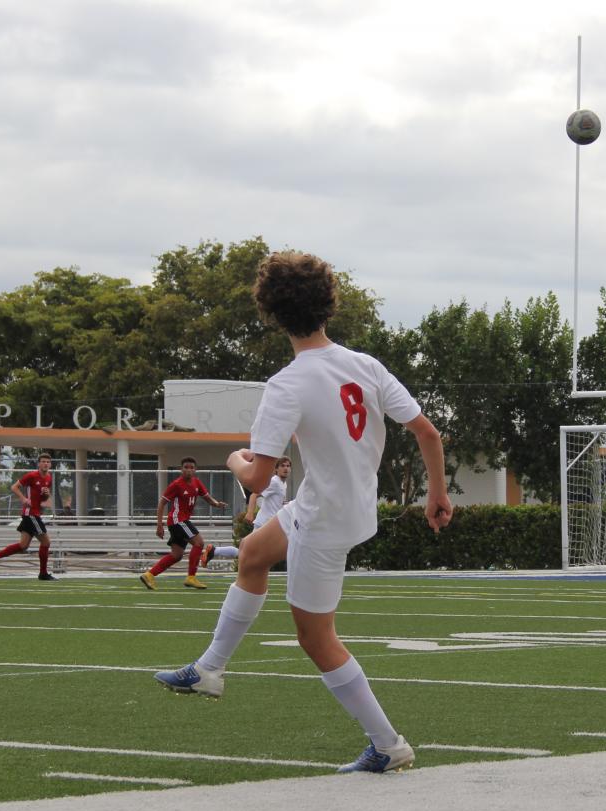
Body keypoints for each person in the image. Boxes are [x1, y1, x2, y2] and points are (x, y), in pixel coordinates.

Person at [154, 251, 453, 774]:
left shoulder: (287, 383)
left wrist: (231, 457)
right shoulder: (366, 365)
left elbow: (258, 477)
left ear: (271, 313)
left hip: (325, 519)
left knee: (316, 637)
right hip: (339, 506)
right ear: (328, 305)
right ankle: (210, 668)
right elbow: (427, 433)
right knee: (252, 554)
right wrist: (437, 494)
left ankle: (387, 744)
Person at [140, 457, 227, 590]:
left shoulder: (197, 483)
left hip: (180, 521)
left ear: (195, 469)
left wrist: (216, 504)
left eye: (191, 467)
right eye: (186, 467)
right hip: (177, 520)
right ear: (181, 469)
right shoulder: (176, 484)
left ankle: (149, 575)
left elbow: (207, 498)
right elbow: (162, 503)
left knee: (177, 555)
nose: (189, 470)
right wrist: (159, 524)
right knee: (199, 543)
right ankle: (191, 577)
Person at [0, 453, 58, 580]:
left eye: (48, 462)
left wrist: (46, 494)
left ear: (50, 464)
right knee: (46, 542)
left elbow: (43, 498)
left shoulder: (48, 478)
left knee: (23, 545)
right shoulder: (32, 476)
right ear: (39, 463)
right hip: (31, 514)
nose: (46, 464)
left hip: (34, 513)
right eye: (43, 461)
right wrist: (23, 498)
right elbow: (14, 487)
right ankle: (43, 573)